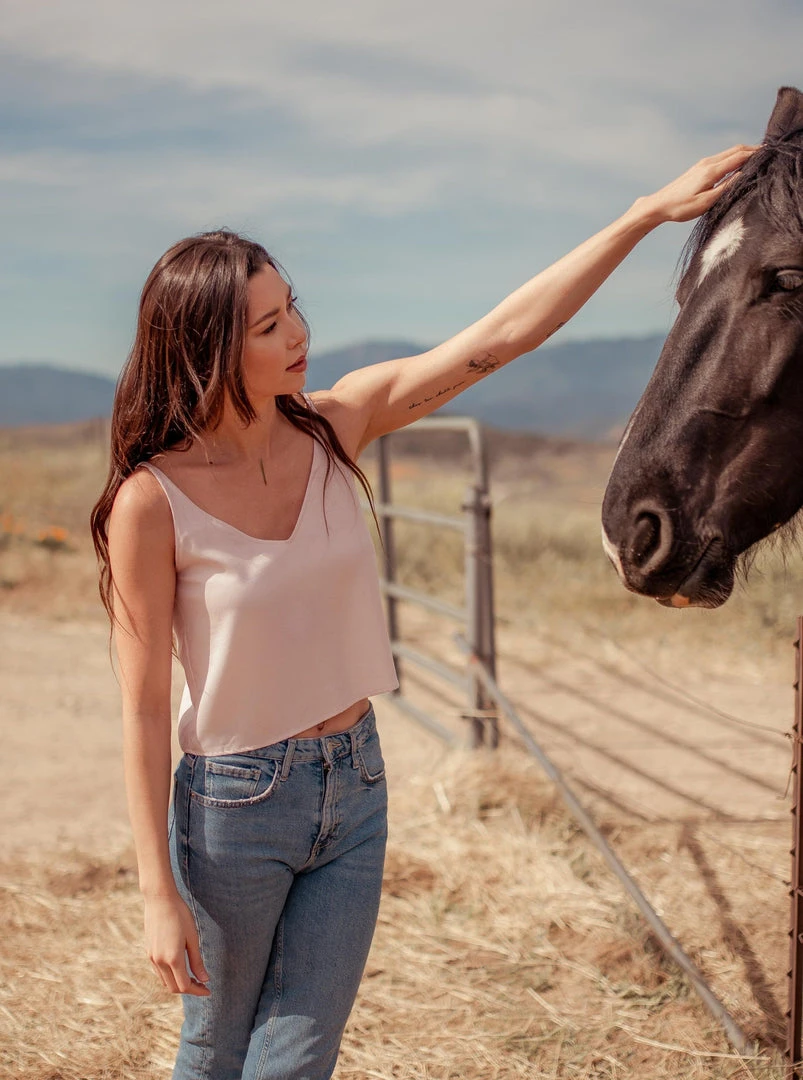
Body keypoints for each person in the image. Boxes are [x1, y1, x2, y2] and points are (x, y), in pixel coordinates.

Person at [90, 142, 754, 1080]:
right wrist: (155, 890)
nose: (297, 336)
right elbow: (144, 707)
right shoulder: (150, 503)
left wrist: (644, 214)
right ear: (206, 347)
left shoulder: (338, 423)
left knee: (298, 1060)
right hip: (233, 808)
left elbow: (498, 338)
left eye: (292, 311)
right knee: (216, 1050)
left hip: (355, 788)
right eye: (268, 326)